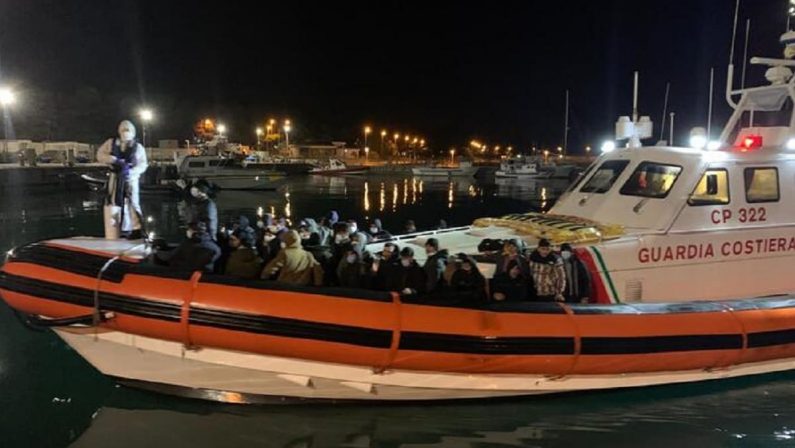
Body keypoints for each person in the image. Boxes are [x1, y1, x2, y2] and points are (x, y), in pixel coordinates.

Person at [96, 120, 148, 239]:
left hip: (131, 179)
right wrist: (114, 160)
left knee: (133, 203)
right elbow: (100, 155)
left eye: (128, 130)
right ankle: (115, 229)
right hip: (115, 178)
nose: (125, 132)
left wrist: (131, 172)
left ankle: (137, 229)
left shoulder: (138, 147)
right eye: (123, 130)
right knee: (114, 202)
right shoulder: (111, 143)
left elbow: (143, 164)